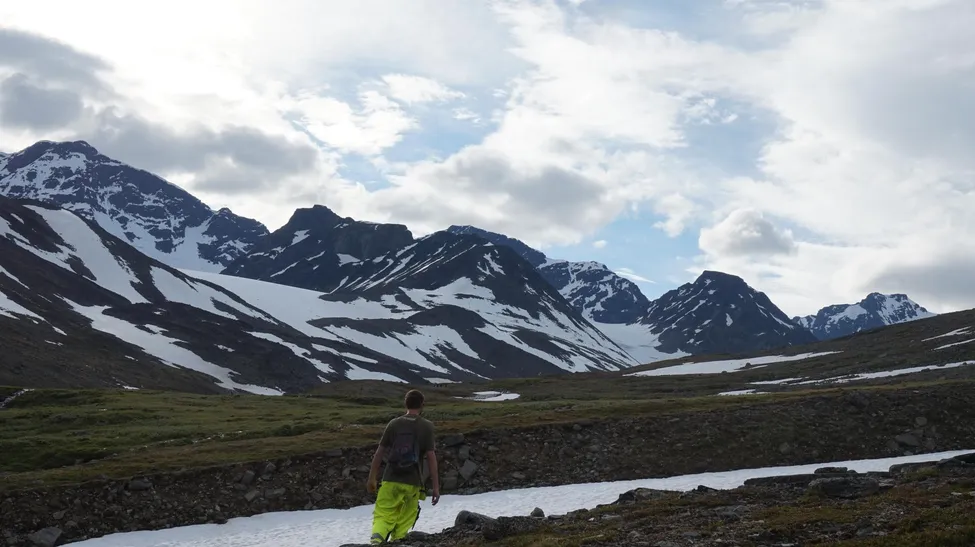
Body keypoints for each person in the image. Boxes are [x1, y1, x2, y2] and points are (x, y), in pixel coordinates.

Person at [366, 389, 440, 544]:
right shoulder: (427, 426)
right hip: (413, 483)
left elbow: (379, 453)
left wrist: (372, 478)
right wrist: (435, 487)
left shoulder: (393, 424)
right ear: (422, 405)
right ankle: (397, 542)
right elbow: (431, 458)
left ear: (405, 403)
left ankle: (376, 541)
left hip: (390, 480)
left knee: (383, 515)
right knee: (404, 522)